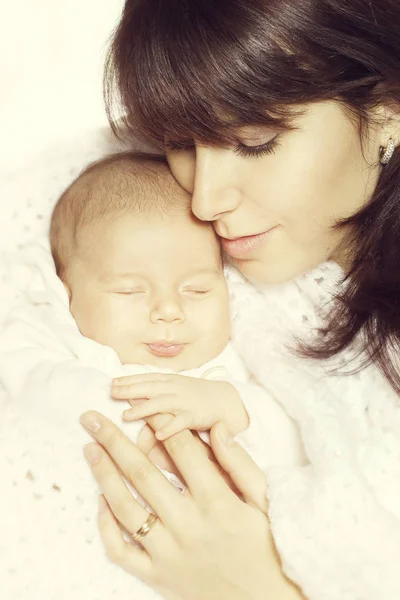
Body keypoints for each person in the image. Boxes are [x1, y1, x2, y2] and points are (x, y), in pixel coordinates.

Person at [79, 1, 400, 599]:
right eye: (179, 143)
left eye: (254, 143)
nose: (204, 199)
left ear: (387, 111)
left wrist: (258, 587)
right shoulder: (151, 208)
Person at [0, 151, 303, 599]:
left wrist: (233, 407)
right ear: (65, 291)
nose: (168, 311)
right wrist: (129, 407)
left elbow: (299, 445)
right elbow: (25, 376)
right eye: (130, 290)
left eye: (197, 289)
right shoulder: (60, 340)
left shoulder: (235, 369)